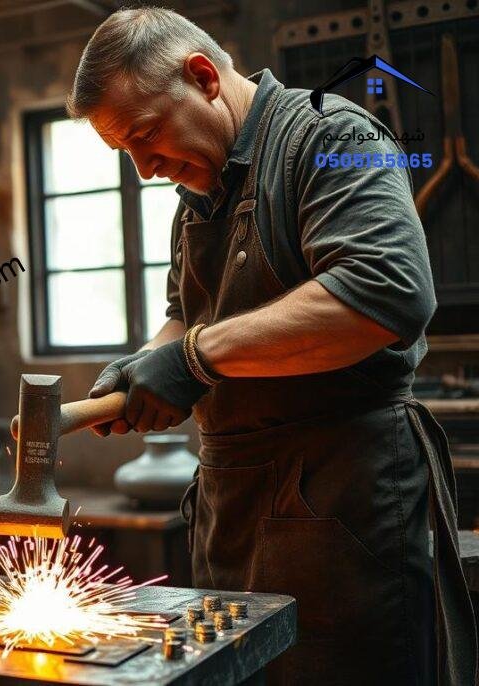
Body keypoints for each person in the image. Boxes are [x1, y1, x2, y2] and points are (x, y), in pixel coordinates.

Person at [55, 7, 477, 684]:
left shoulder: (331, 136)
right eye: (123, 154)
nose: (143, 170)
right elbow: (182, 318)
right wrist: (144, 368)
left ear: (203, 77)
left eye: (145, 137)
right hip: (231, 507)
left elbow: (386, 290)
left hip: (339, 503)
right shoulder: (197, 194)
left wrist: (192, 357)